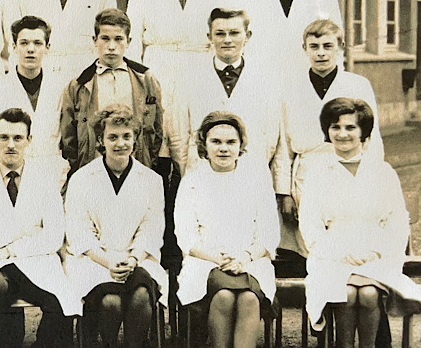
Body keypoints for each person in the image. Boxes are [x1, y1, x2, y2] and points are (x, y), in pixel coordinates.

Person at [300, 98, 421, 346]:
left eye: (350, 127)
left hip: (376, 253)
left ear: (363, 132)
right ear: (327, 130)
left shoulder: (383, 171)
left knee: (367, 294)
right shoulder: (317, 172)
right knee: (344, 292)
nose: (342, 134)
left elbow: (398, 221)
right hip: (332, 254)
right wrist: (339, 253)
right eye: (335, 127)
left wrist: (377, 251)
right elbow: (310, 223)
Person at [0, 108, 81, 347]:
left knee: (60, 299)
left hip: (35, 261)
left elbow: (54, 235)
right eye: (4, 137)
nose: (11, 145)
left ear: (29, 141)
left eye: (18, 138)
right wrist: (30, 233)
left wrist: (8, 249)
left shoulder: (44, 178)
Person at [64, 104, 168, 347]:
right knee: (111, 301)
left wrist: (132, 259)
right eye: (112, 137)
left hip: (137, 259)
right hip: (94, 262)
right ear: (101, 139)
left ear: (135, 139)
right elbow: (79, 233)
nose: (120, 143)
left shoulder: (152, 181)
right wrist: (108, 261)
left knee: (141, 294)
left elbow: (151, 229)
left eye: (126, 136)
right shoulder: (81, 179)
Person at [174, 111, 280, 348]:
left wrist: (243, 258)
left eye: (231, 142)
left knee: (249, 299)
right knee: (223, 296)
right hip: (205, 262)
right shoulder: (191, 181)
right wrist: (217, 259)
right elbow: (186, 237)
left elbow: (269, 232)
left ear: (241, 145)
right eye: (216, 142)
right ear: (204, 144)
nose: (224, 148)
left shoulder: (257, 180)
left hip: (250, 260)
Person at [281, 19, 383, 257]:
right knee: (311, 244)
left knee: (348, 240)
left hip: (349, 171)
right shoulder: (291, 87)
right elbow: (283, 146)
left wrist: (372, 180)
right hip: (305, 174)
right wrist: (283, 192)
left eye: (327, 46)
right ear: (304, 49)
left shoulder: (358, 85)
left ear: (341, 47)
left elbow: (372, 138)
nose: (321, 53)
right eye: (314, 46)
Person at [170, 8, 290, 197]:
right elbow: (177, 136)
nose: (227, 40)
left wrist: (282, 189)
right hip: (203, 179)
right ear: (209, 37)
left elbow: (279, 138)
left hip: (253, 179)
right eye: (220, 34)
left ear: (247, 36)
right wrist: (192, 170)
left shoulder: (267, 80)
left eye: (234, 33)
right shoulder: (189, 78)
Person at [60, 8, 164, 178]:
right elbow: (68, 136)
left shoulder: (145, 80)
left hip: (135, 168)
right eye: (105, 39)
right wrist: (80, 165)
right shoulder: (79, 85)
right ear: (95, 40)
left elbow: (157, 129)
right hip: (93, 169)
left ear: (128, 41)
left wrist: (148, 161)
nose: (111, 47)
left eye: (118, 39)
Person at [0, 16, 68, 169]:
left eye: (37, 43)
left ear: (47, 47)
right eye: (24, 43)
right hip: (12, 173)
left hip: (51, 173)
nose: (30, 49)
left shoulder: (60, 88)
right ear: (14, 46)